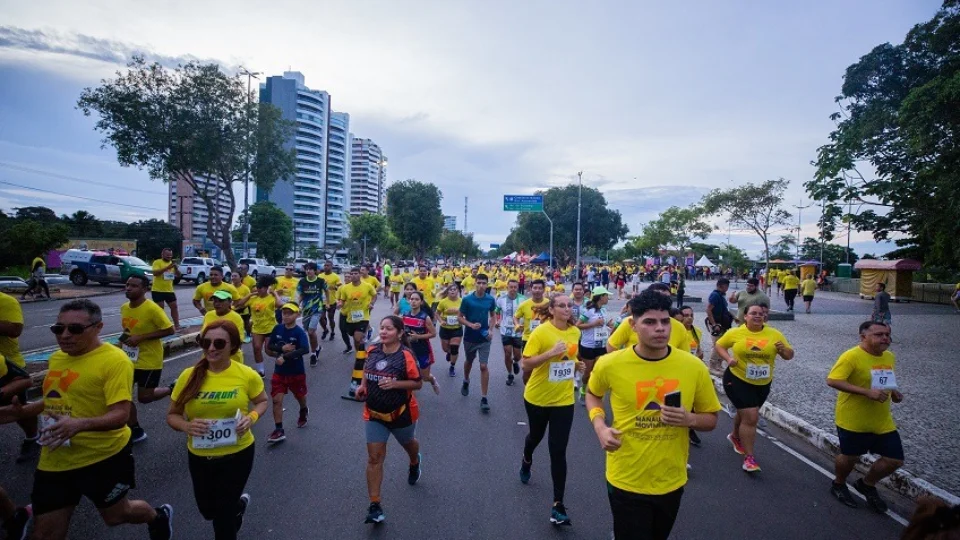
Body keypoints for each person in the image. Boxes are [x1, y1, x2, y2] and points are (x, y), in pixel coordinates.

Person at [33, 299, 173, 540]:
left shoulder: (114, 361)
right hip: (55, 457)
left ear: (98, 328)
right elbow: (55, 399)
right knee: (44, 534)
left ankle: (157, 516)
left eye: (75, 329)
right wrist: (20, 411)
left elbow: (121, 415)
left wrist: (79, 425)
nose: (64, 335)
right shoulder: (57, 358)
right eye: (58, 328)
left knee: (116, 515)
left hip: (103, 457)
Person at [586, 290, 721, 540]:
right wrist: (600, 426)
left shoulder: (693, 367)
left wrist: (689, 419)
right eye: (649, 322)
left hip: (671, 479)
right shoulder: (610, 364)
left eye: (665, 321)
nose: (660, 329)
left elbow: (711, 418)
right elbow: (593, 394)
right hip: (625, 477)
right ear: (633, 325)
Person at [167, 320, 268, 540]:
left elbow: (262, 401)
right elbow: (172, 415)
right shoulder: (188, 375)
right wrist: (186, 425)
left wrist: (251, 418)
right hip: (200, 455)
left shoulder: (246, 374)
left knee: (222, 518)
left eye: (219, 343)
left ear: (233, 347)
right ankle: (237, 508)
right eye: (206, 342)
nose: (211, 348)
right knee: (208, 511)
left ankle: (230, 514)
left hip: (238, 453)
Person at [826, 320, 904, 513]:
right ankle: (839, 483)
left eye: (887, 334)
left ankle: (867, 484)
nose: (885, 338)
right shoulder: (851, 356)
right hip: (853, 419)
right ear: (863, 337)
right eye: (879, 334)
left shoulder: (889, 356)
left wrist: (894, 392)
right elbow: (833, 380)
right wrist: (866, 392)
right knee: (850, 456)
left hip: (881, 420)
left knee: (895, 460)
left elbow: (884, 378)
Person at [520, 294, 582, 526]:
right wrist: (549, 353)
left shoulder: (575, 332)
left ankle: (558, 504)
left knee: (558, 450)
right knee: (535, 437)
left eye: (569, 306)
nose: (567, 309)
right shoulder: (541, 332)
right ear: (552, 309)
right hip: (537, 397)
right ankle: (527, 458)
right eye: (562, 306)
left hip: (564, 399)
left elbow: (569, 358)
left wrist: (577, 365)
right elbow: (525, 363)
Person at [356, 316, 424, 525]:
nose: (384, 332)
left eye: (389, 329)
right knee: (375, 458)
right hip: (374, 413)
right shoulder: (373, 350)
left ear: (400, 333)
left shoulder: (405, 356)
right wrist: (363, 386)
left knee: (409, 445)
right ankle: (375, 505)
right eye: (382, 328)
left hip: (401, 413)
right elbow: (368, 369)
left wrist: (395, 384)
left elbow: (418, 383)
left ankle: (415, 461)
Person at [714, 303, 794, 472]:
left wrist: (783, 350)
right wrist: (728, 359)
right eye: (754, 313)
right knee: (751, 417)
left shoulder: (774, 334)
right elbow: (719, 345)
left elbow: (789, 355)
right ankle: (749, 458)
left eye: (762, 314)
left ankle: (735, 436)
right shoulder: (735, 333)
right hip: (737, 379)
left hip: (763, 383)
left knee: (746, 413)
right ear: (745, 316)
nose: (758, 316)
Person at [119, 275, 176, 443]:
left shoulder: (152, 309)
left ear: (145, 289)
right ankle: (135, 430)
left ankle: (171, 389)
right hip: (128, 360)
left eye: (134, 286)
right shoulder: (124, 308)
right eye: (127, 285)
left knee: (145, 398)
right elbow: (129, 330)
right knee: (122, 396)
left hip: (149, 361)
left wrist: (141, 338)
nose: (128, 288)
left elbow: (169, 330)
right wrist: (121, 343)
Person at [0, 291, 39, 462]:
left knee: (19, 408)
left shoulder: (6, 301)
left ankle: (32, 438)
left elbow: (16, 329)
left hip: (9, 366)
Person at [264, 303, 310, 443]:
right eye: (284, 313)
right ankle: (279, 430)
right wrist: (282, 348)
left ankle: (303, 409)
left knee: (299, 396)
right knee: (277, 400)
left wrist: (285, 357)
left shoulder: (299, 332)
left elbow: (304, 349)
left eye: (290, 313)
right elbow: (270, 345)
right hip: (280, 372)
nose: (286, 316)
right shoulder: (277, 328)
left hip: (296, 372)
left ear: (297, 315)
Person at [458, 273, 497, 412]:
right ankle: (466, 380)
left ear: (487, 285)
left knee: (483, 366)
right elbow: (460, 317)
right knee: (469, 360)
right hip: (470, 337)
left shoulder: (490, 299)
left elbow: (493, 316)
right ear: (475, 283)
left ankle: (484, 398)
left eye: (484, 283)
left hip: (484, 337)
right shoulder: (467, 299)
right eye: (479, 283)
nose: (481, 286)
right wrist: (470, 324)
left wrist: (491, 330)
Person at [337, 267, 378, 399]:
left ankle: (362, 357)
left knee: (358, 337)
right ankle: (359, 354)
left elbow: (374, 294)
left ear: (360, 275)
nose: (354, 276)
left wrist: (371, 303)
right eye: (352, 274)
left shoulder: (367, 286)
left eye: (356, 274)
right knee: (355, 339)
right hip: (350, 318)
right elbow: (342, 300)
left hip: (363, 317)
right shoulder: (345, 288)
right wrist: (339, 304)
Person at [235, 276, 280, 376]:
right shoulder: (253, 298)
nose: (259, 290)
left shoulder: (271, 298)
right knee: (256, 348)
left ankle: (282, 356)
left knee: (269, 351)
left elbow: (280, 305)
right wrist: (250, 294)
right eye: (257, 288)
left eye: (261, 288)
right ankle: (261, 370)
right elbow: (239, 304)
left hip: (270, 328)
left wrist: (275, 293)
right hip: (257, 329)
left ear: (266, 288)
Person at [576, 286, 613, 406]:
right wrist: (593, 324)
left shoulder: (604, 310)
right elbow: (578, 325)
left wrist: (609, 324)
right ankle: (583, 389)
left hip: (601, 345)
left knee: (597, 371)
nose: (608, 297)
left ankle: (593, 394)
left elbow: (604, 323)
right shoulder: (588, 310)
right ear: (601, 297)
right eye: (606, 295)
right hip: (588, 345)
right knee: (588, 372)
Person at [403, 291, 440, 394]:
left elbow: (433, 334)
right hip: (408, 350)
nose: (413, 301)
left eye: (416, 299)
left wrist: (418, 336)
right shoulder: (405, 315)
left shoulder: (425, 317)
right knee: (406, 373)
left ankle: (432, 380)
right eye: (412, 299)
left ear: (421, 302)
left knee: (425, 377)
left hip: (422, 349)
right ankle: (408, 394)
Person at [203, 290, 249, 367]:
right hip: (210, 355)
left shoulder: (236, 318)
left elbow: (238, 340)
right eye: (215, 301)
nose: (217, 304)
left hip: (231, 358)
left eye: (221, 301)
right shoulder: (208, 315)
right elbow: (203, 334)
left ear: (230, 302)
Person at [296, 262, 327, 366]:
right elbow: (301, 295)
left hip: (317, 310)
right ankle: (317, 348)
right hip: (306, 310)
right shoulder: (302, 282)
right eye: (306, 269)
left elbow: (327, 291)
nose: (308, 271)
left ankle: (313, 354)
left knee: (311, 331)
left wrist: (326, 302)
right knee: (309, 332)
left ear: (315, 271)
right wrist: (297, 305)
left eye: (310, 269)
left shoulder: (321, 281)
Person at [496, 279, 525, 386]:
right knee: (507, 353)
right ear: (507, 287)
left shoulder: (523, 299)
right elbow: (497, 311)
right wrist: (497, 320)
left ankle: (515, 362)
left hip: (518, 332)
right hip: (505, 331)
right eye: (511, 287)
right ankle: (510, 374)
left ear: (517, 288)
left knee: (517, 355)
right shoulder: (501, 299)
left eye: (515, 287)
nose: (513, 289)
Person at [150, 247, 182, 330]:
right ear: (162, 254)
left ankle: (177, 325)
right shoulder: (157, 262)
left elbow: (178, 275)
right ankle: (161, 326)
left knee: (174, 307)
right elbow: (155, 273)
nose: (169, 257)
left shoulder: (172, 264)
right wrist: (167, 267)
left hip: (169, 290)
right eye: (167, 255)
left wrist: (175, 268)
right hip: (157, 290)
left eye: (170, 255)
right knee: (160, 310)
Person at [705, 278, 733, 372]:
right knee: (717, 345)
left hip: (723, 323)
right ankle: (712, 366)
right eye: (726, 286)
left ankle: (719, 365)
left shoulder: (721, 295)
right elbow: (708, 310)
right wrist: (714, 324)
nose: (727, 288)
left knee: (723, 344)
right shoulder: (715, 295)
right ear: (721, 285)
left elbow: (725, 309)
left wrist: (734, 317)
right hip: (717, 323)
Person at [436, 285, 463, 380]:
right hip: (445, 328)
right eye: (450, 290)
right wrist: (441, 321)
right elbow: (437, 314)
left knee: (455, 348)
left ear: (458, 291)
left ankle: (452, 366)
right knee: (445, 348)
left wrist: (464, 318)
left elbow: (466, 313)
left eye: (454, 289)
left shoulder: (461, 301)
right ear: (447, 291)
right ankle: (449, 352)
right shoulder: (443, 302)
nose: (452, 291)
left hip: (457, 328)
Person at [318, 260, 342, 341]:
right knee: (321, 317)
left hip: (331, 301)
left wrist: (334, 287)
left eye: (328, 265)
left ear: (331, 266)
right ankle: (325, 330)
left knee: (330, 318)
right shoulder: (320, 276)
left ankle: (332, 332)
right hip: (321, 301)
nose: (325, 267)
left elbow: (340, 286)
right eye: (325, 265)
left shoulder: (335, 276)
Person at [230, 272, 253, 340]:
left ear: (240, 278)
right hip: (232, 309)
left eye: (235, 276)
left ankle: (248, 335)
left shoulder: (245, 288)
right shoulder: (229, 287)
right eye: (232, 276)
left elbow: (249, 300)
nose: (233, 278)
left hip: (244, 310)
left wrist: (243, 306)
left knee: (246, 323)